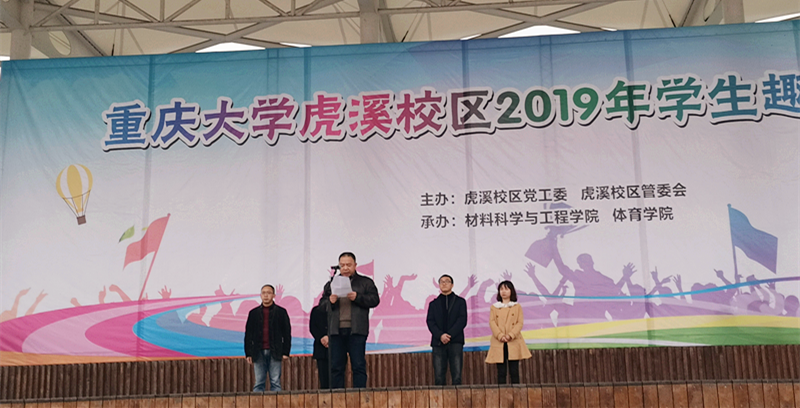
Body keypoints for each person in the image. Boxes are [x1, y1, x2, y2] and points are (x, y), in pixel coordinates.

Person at [322, 252, 380, 388]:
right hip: (336, 331)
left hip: (357, 330)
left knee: (358, 365)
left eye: (348, 265)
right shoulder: (331, 283)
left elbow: (375, 300)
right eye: (342, 265)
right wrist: (330, 301)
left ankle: (359, 395)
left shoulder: (365, 282)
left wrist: (358, 297)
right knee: (336, 367)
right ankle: (337, 396)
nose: (345, 268)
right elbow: (321, 305)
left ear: (355, 265)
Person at [244, 284, 292, 392]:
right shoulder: (253, 313)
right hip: (258, 351)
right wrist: (248, 353)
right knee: (259, 382)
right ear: (260, 295)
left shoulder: (281, 312)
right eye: (264, 293)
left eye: (269, 293)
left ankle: (277, 401)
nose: (266, 295)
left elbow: (286, 333)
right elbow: (248, 334)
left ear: (274, 295)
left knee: (275, 382)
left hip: (275, 350)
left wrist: (286, 352)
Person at [485, 280, 531, 384]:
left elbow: (520, 322)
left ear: (511, 291)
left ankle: (516, 392)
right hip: (499, 341)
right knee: (501, 372)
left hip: (513, 341)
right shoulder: (494, 307)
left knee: (514, 371)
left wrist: (510, 335)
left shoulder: (517, 306)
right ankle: (501, 392)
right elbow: (492, 322)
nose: (503, 291)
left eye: (506, 289)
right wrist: (500, 335)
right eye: (501, 289)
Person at [426, 274, 468, 385]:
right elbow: (430, 322)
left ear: (452, 285)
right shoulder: (433, 304)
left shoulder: (460, 302)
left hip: (455, 342)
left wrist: (449, 335)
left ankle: (457, 397)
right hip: (438, 342)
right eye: (442, 282)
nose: (444, 284)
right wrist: (440, 335)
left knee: (457, 376)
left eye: (447, 281)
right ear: (439, 285)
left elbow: (462, 320)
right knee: (439, 377)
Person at [309, 297, 330, 389]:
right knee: (323, 377)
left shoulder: (338, 309)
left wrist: (330, 337)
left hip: (336, 347)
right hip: (320, 348)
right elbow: (312, 327)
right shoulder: (316, 310)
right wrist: (321, 337)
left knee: (337, 377)